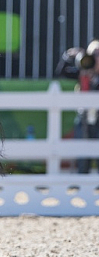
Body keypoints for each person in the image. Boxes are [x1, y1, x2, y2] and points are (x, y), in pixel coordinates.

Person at [55, 40, 99, 173]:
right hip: (83, 119)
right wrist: (69, 56)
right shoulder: (83, 72)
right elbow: (61, 72)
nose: (97, 57)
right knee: (82, 156)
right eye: (94, 54)